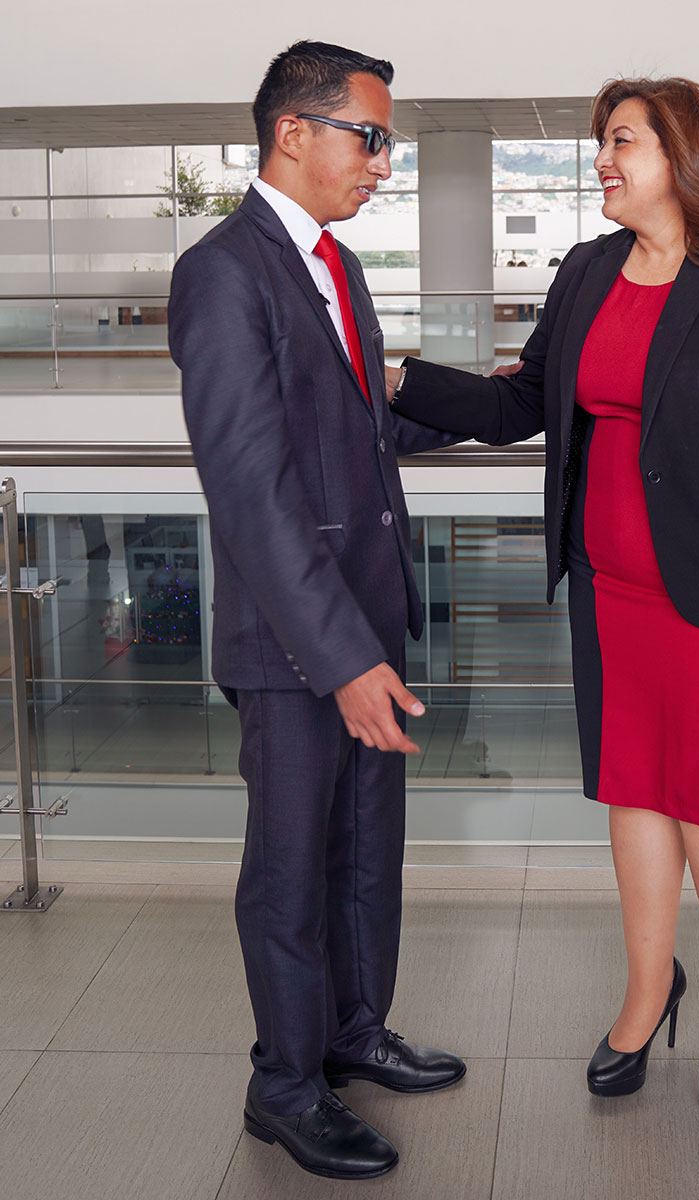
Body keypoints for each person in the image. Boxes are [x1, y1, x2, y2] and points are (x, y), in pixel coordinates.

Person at [388, 76, 699, 1115]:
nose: (601, 159)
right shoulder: (590, 269)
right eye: (603, 142)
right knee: (635, 794)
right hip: (610, 591)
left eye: (621, 140)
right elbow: (519, 404)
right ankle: (646, 990)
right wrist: (394, 377)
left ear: (683, 153)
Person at [168, 40, 464, 1181]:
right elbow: (251, 489)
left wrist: (516, 406)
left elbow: (357, 426)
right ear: (293, 131)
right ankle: (284, 1087)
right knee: (291, 874)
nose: (385, 163)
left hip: (365, 624)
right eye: (371, 138)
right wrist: (340, 658)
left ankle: (351, 1033)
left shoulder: (336, 265)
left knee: (365, 856)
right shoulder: (224, 273)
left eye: (388, 142)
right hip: (297, 645)